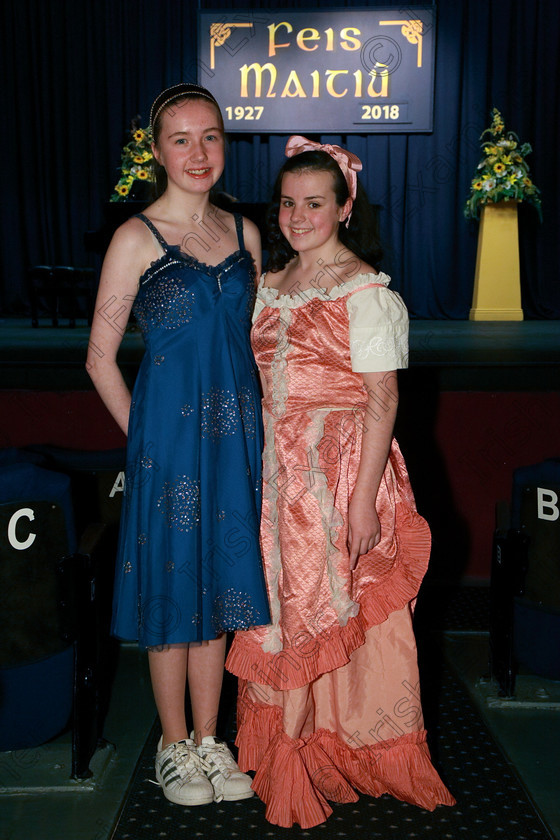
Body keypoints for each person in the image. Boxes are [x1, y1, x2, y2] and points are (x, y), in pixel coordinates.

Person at [225, 136, 456, 827]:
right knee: (281, 611)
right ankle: (294, 745)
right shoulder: (269, 284)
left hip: (333, 474)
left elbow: (383, 401)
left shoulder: (367, 292)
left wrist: (361, 503)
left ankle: (306, 754)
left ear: (345, 207)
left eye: (315, 204)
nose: (298, 217)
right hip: (273, 471)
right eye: (289, 204)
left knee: (315, 611)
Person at [87, 83, 270, 807]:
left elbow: (251, 344)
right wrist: (147, 441)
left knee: (220, 593)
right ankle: (171, 744)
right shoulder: (136, 238)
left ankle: (208, 739)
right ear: (157, 150)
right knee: (170, 592)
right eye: (182, 139)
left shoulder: (246, 234)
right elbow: (100, 357)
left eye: (212, 137)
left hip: (235, 444)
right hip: (167, 446)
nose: (199, 153)